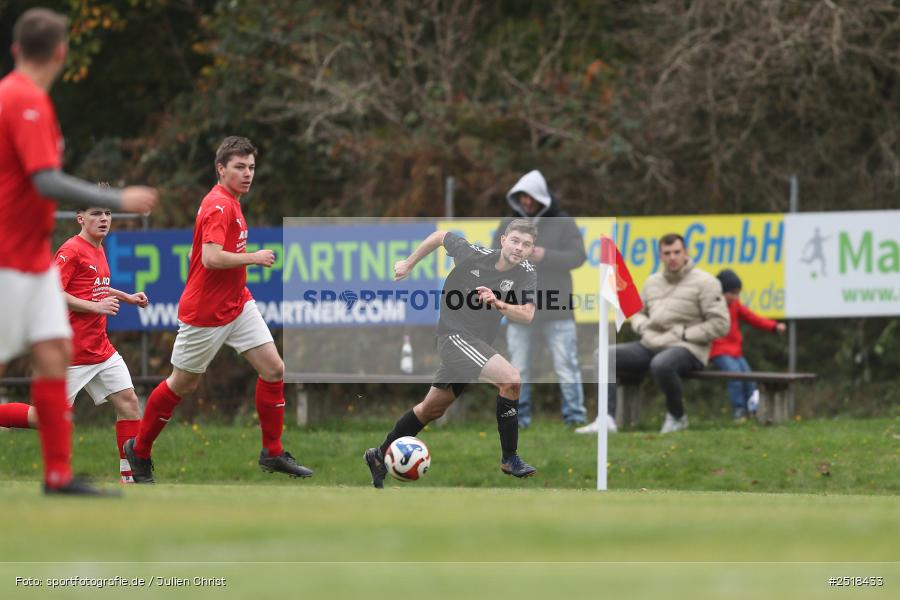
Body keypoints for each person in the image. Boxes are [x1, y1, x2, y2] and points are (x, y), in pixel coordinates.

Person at [0, 8, 158, 495]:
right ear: (63, 53)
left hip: (28, 260)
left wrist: (122, 298)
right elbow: (46, 180)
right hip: (11, 258)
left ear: (16, 48)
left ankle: (59, 476)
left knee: (53, 354)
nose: (105, 218)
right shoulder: (23, 98)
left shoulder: (29, 99)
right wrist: (119, 198)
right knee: (43, 365)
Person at [124, 136, 312, 483]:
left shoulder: (232, 202)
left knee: (273, 369)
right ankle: (140, 449)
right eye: (239, 167)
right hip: (206, 312)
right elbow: (211, 258)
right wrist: (252, 258)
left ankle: (272, 451)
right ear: (220, 169)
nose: (247, 173)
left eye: (251, 167)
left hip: (237, 303)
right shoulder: (219, 205)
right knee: (183, 384)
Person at [364, 219, 539, 488]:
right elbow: (439, 236)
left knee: (431, 409)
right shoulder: (474, 254)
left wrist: (497, 302)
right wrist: (409, 263)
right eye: (515, 240)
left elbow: (527, 315)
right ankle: (509, 458)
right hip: (453, 337)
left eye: (526, 244)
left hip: (475, 344)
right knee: (511, 380)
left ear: (531, 249)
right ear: (503, 240)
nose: (519, 248)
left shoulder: (526, 272)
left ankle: (379, 454)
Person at [0, 201, 151, 484]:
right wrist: (95, 308)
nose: (104, 219)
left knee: (129, 402)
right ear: (80, 218)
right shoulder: (71, 250)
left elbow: (96, 285)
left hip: (101, 349)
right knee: (41, 418)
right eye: (96, 214)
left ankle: (131, 478)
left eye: (107, 213)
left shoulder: (98, 247)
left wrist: (125, 297)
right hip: (73, 353)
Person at [576, 233, 729, 434]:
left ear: (686, 253)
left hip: (688, 347)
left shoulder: (706, 282)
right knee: (603, 355)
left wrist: (685, 334)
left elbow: (721, 324)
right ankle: (606, 419)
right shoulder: (652, 282)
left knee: (662, 364)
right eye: (667, 253)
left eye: (677, 252)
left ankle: (677, 417)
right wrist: (641, 326)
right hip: (650, 344)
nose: (672, 257)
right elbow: (637, 313)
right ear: (661, 257)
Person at [491, 170, 587, 428]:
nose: (526, 203)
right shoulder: (509, 223)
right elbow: (494, 256)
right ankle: (518, 420)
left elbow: (578, 256)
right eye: (522, 197)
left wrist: (545, 256)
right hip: (519, 308)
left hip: (558, 308)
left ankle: (575, 419)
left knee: (566, 366)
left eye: (531, 198)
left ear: (542, 197)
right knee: (518, 369)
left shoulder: (564, 221)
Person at [709, 269, 786, 420]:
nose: (735, 297)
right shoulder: (710, 306)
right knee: (735, 375)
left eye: (737, 293)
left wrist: (773, 326)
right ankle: (739, 410)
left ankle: (753, 409)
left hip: (735, 351)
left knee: (749, 378)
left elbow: (753, 318)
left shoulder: (735, 305)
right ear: (721, 292)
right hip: (718, 351)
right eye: (732, 293)